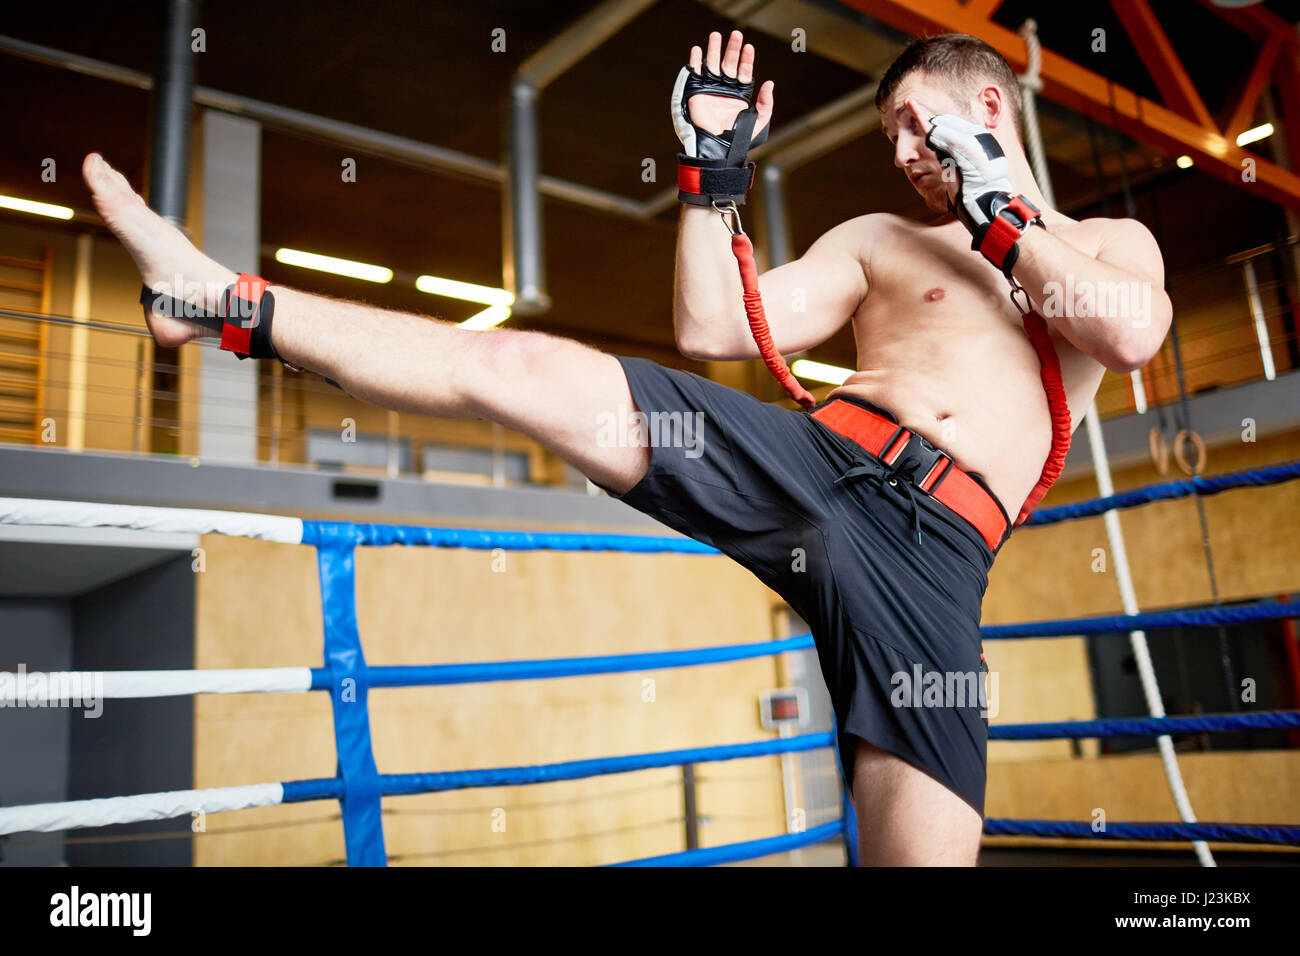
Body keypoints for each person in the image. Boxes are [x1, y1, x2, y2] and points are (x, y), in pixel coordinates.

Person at [81, 29, 1170, 865]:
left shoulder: (1105, 244)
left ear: (987, 106)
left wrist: (998, 209)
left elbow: (1123, 333)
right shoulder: (877, 242)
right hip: (812, 465)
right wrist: (711, 172)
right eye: (887, 134)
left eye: (915, 127)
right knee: (518, 370)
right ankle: (218, 298)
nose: (899, 153)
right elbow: (710, 326)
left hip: (936, 563)